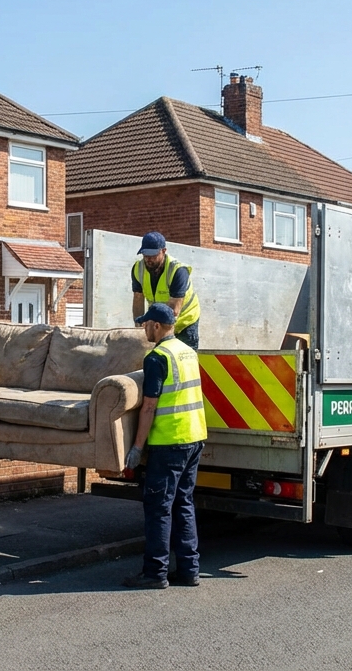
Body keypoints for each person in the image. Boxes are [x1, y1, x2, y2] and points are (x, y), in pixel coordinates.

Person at [122, 303, 207, 589]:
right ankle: (189, 570)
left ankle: (155, 573)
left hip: (169, 442)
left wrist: (137, 447)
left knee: (159, 507)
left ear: (157, 326)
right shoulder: (188, 352)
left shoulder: (157, 357)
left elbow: (149, 407)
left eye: (146, 324)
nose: (144, 328)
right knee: (184, 503)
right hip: (194, 437)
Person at [132, 231, 200, 350]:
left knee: (184, 356)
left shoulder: (178, 271)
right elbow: (138, 300)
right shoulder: (138, 269)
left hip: (185, 321)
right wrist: (140, 328)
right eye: (145, 255)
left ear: (163, 251)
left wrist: (158, 332)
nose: (148, 259)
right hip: (160, 321)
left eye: (153, 255)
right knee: (161, 357)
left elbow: (174, 310)